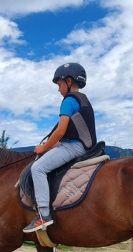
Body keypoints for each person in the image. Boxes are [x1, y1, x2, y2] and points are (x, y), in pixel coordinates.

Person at [23, 63, 97, 233]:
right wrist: (53, 146)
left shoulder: (68, 101)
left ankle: (43, 215)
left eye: (59, 85)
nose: (58, 90)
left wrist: (43, 148)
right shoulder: (84, 100)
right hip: (81, 145)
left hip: (75, 148)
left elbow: (60, 131)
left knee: (38, 168)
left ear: (68, 81)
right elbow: (71, 132)